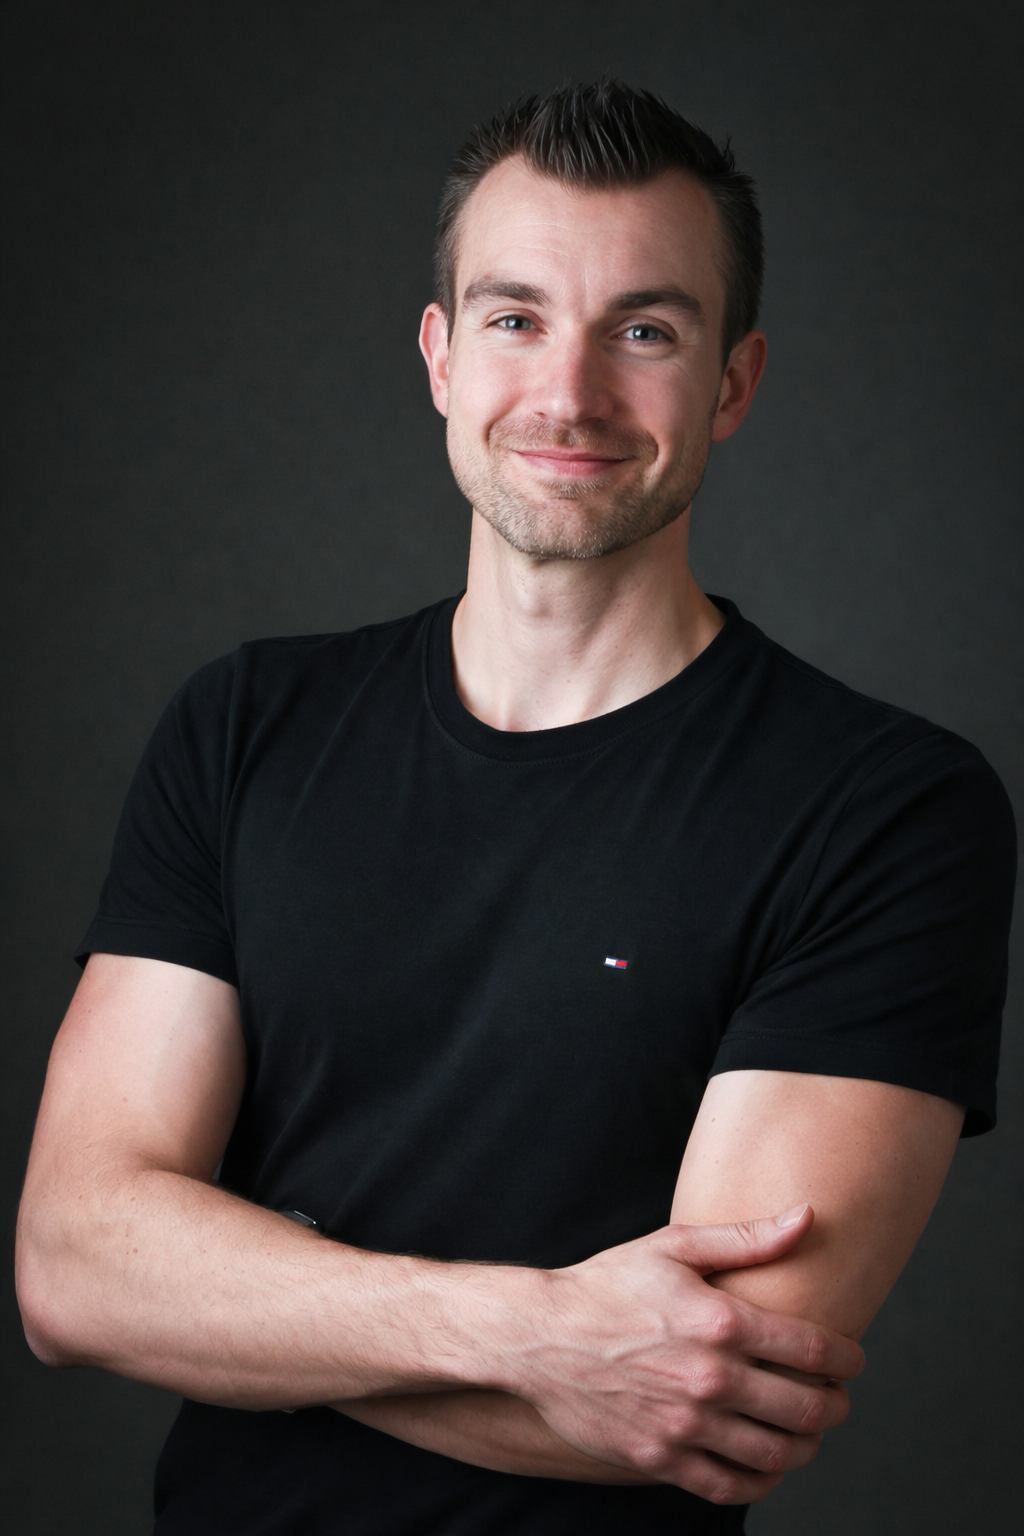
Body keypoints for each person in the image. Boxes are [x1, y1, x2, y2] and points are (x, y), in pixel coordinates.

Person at [15, 80, 1015, 1536]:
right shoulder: (245, 727)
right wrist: (527, 1333)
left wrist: (237, 1302)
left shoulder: (884, 809)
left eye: (645, 331)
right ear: (439, 355)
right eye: (515, 318)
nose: (569, 394)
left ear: (733, 383)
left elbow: (705, 1393)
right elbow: (71, 1266)